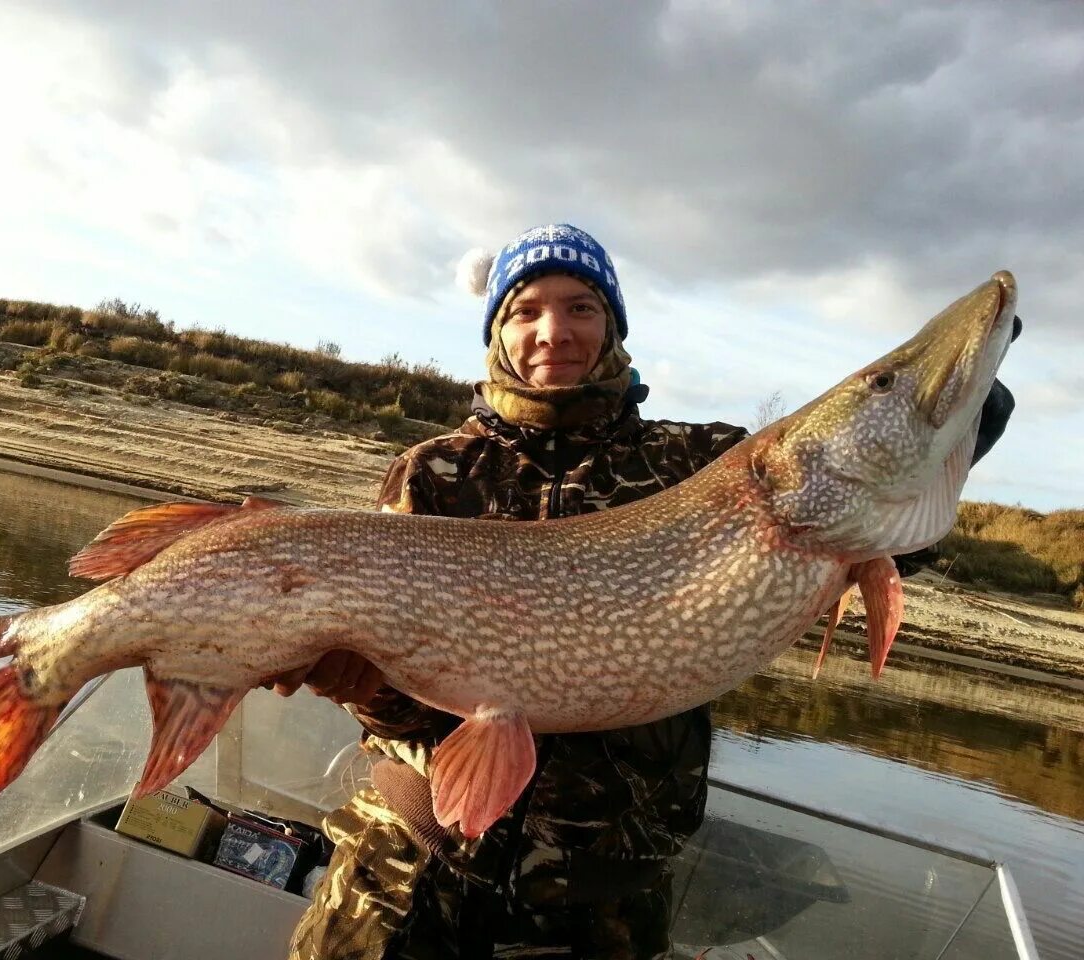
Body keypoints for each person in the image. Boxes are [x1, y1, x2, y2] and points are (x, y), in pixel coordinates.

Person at [283, 224, 1016, 960]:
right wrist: (356, 683)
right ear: (497, 330)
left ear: (612, 326)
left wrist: (945, 439)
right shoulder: (433, 471)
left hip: (604, 908)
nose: (553, 331)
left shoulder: (703, 463)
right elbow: (399, 697)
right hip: (408, 868)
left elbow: (875, 534)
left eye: (581, 307)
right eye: (525, 310)